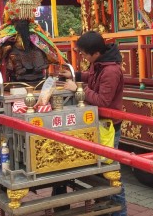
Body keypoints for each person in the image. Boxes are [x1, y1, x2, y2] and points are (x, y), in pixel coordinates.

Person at [61, 30, 127, 216]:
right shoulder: (100, 64)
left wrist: (77, 90)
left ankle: (120, 213)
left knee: (110, 174)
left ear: (95, 53)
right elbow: (93, 77)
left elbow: (103, 101)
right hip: (98, 124)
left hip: (109, 127)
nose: (82, 56)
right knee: (100, 172)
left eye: (83, 53)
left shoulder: (111, 71)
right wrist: (75, 76)